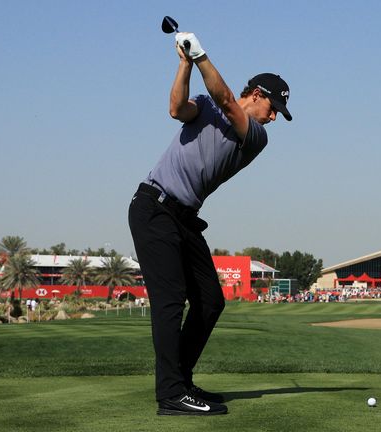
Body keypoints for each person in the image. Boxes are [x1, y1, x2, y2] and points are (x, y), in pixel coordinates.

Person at [128, 30, 291, 416]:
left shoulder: (255, 137)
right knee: (170, 302)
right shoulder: (206, 105)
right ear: (258, 94)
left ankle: (180, 381)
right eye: (273, 108)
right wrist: (185, 63)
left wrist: (201, 55)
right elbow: (175, 108)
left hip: (183, 218)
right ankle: (171, 394)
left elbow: (225, 99)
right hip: (154, 208)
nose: (273, 118)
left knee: (210, 301)